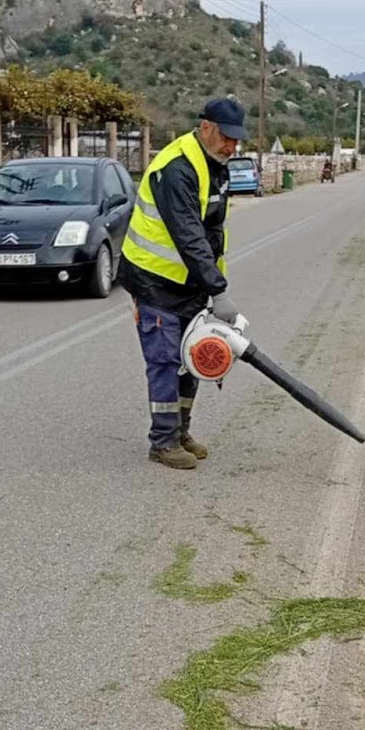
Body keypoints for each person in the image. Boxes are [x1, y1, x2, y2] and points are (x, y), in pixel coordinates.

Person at [118, 97, 247, 470]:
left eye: (237, 141)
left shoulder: (215, 164)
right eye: (226, 137)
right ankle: (162, 442)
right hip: (153, 280)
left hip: (190, 283)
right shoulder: (176, 168)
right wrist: (219, 288)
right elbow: (188, 234)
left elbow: (212, 231)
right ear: (205, 127)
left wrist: (210, 285)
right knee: (164, 360)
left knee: (192, 359)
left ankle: (181, 431)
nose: (232, 146)